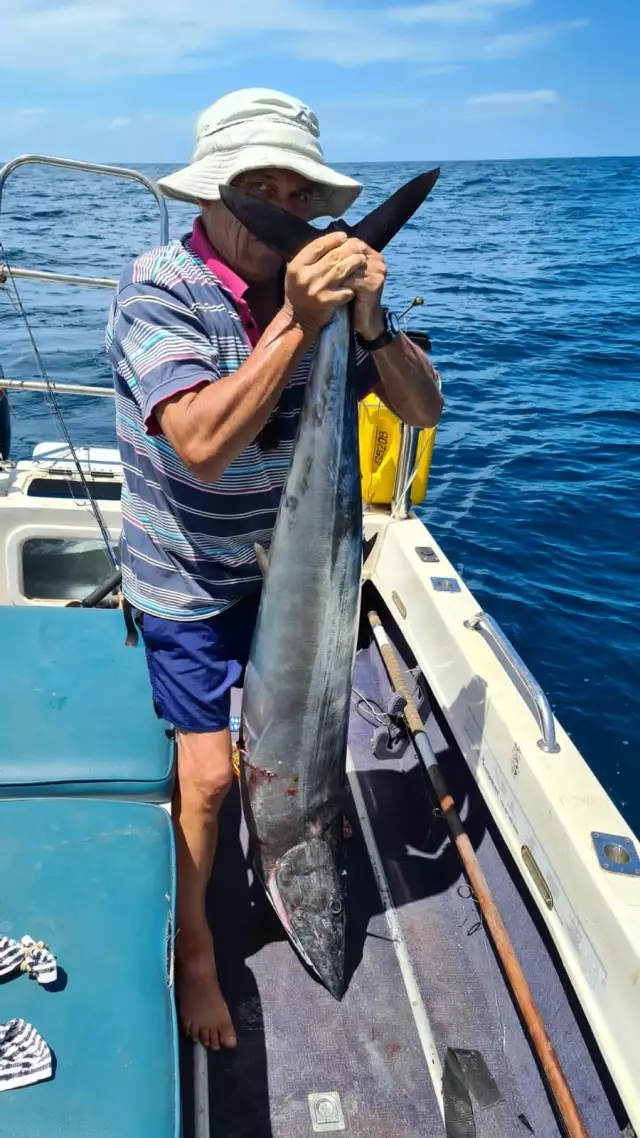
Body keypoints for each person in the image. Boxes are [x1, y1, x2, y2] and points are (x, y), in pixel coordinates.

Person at [106, 87, 443, 1051]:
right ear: (210, 197)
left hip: (299, 572)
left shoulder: (333, 301)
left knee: (315, 746)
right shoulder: (157, 288)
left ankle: (291, 836)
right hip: (188, 571)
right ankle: (198, 954)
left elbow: (421, 412)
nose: (279, 209)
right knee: (208, 781)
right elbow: (202, 445)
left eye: (295, 194)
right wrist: (299, 324)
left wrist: (368, 323)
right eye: (257, 188)